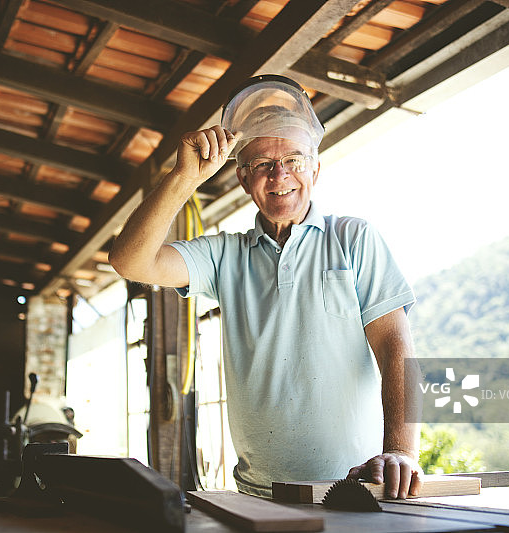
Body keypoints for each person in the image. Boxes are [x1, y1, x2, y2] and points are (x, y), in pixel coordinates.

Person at [109, 74, 421, 499]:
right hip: (259, 495)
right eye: (261, 164)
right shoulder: (225, 256)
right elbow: (129, 261)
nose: (279, 174)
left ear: (315, 168)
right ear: (243, 178)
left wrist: (401, 450)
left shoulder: (353, 239)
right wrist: (184, 177)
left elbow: (396, 346)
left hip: (356, 491)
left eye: (293, 159)